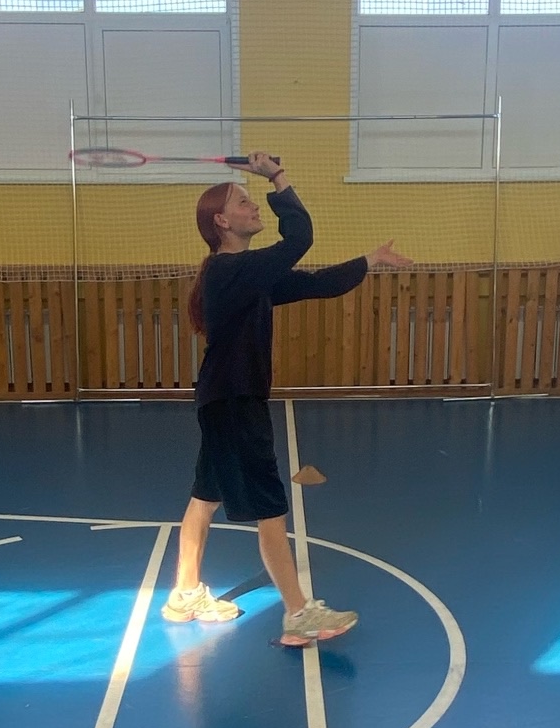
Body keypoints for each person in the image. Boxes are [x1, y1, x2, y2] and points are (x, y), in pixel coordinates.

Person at [164, 151, 411, 644]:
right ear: (221, 222)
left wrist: (369, 260)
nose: (254, 205)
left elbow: (316, 283)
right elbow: (299, 239)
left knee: (205, 496)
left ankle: (184, 594)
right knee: (270, 507)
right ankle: (298, 614)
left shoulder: (246, 274)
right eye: (243, 202)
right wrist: (276, 177)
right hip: (235, 402)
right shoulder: (231, 271)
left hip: (223, 400)